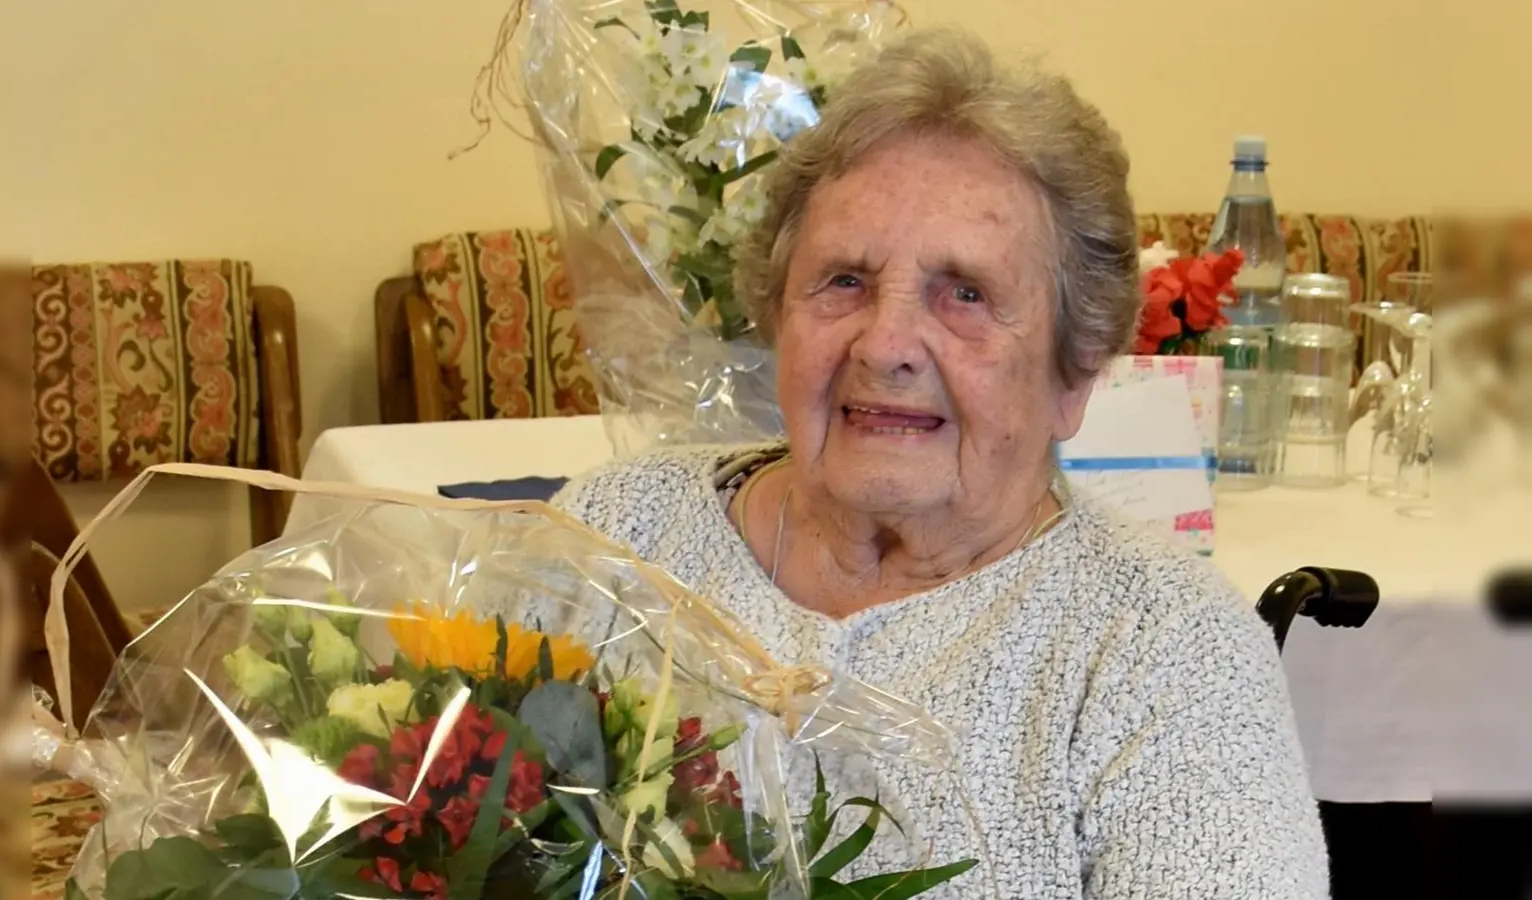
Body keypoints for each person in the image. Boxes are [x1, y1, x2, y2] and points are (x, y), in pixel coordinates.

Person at [554, 26, 1327, 899]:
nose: (885, 345)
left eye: (966, 293)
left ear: (1074, 371)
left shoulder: (1165, 650)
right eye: (844, 279)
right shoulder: (609, 538)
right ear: (776, 316)